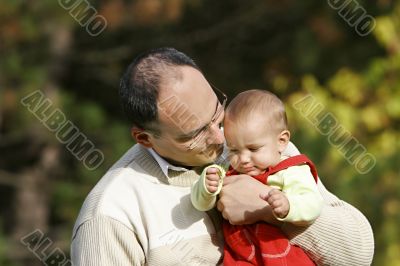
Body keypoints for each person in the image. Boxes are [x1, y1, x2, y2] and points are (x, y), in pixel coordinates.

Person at [71, 47, 374, 265]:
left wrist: (267, 207)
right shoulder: (110, 216)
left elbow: (358, 254)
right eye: (194, 134)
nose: (220, 139)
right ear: (144, 138)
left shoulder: (255, 143)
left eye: (217, 114)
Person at [191, 89, 324, 265]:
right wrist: (206, 187)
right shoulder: (227, 171)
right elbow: (201, 204)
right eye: (234, 150)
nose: (244, 159)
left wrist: (288, 206)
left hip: (281, 253)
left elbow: (313, 204)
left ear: (281, 141)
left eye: (253, 149)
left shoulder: (291, 170)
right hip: (240, 255)